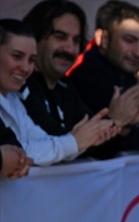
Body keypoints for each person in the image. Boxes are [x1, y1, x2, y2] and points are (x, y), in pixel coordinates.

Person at [19, 0, 139, 150]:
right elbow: (52, 143)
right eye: (60, 36)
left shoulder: (66, 90)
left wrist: (124, 124)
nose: (69, 49)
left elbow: (98, 150)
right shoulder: (18, 85)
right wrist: (115, 121)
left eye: (76, 40)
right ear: (35, 37)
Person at [66, 0, 139, 154]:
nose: (138, 52)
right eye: (129, 40)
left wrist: (129, 130)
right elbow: (105, 146)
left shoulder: (127, 77)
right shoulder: (86, 77)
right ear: (103, 39)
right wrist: (124, 128)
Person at [0, 19, 118, 165]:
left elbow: (41, 142)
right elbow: (20, 152)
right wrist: (74, 141)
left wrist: (84, 139)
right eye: (17, 56)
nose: (25, 68)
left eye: (31, 60)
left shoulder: (13, 99)